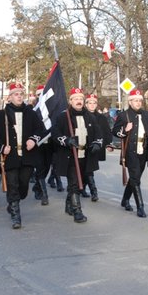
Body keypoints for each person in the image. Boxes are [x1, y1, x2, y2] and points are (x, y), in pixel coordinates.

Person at [0, 83, 45, 228]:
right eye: (16, 94)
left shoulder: (31, 113)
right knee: (12, 184)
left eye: (21, 93)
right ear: (9, 97)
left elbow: (40, 129)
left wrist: (33, 139)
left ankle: (13, 201)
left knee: (23, 186)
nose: (19, 96)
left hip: (28, 155)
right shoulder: (1, 115)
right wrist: (2, 148)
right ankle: (16, 215)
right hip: (11, 156)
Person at [51, 88, 103, 223]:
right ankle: (77, 211)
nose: (79, 101)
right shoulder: (64, 116)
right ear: (71, 101)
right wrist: (66, 140)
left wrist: (97, 143)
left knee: (84, 181)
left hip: (86, 155)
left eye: (81, 99)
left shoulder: (90, 116)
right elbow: (55, 134)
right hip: (70, 156)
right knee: (74, 183)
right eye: (76, 99)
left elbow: (98, 133)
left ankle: (69, 204)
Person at [112, 88, 148, 217]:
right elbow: (115, 132)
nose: (138, 103)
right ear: (130, 102)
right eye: (135, 100)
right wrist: (125, 130)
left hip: (145, 151)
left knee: (135, 178)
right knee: (135, 178)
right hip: (130, 151)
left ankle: (125, 199)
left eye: (140, 101)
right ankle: (140, 207)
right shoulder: (123, 115)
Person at [84, 93, 114, 202]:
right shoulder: (82, 115)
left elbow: (106, 132)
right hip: (83, 147)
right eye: (89, 103)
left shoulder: (101, 117)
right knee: (88, 169)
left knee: (88, 169)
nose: (92, 105)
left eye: (94, 103)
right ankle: (93, 191)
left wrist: (108, 143)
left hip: (96, 147)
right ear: (86, 104)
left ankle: (83, 188)